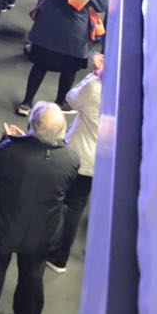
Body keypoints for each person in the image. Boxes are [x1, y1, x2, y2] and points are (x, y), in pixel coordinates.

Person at [0, 103, 79, 314]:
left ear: (32, 125)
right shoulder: (71, 159)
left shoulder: (12, 150)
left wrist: (7, 140)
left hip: (3, 222)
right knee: (33, 274)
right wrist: (26, 141)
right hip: (43, 228)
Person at [19, 0, 106, 116]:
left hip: (47, 26)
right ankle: (60, 102)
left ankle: (26, 103)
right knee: (69, 70)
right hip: (73, 32)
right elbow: (101, 4)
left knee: (39, 66)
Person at [51, 53, 103, 272]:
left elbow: (71, 98)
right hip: (104, 162)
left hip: (80, 156)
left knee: (66, 202)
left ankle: (52, 250)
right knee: (84, 205)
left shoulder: (95, 87)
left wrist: (93, 75)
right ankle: (63, 258)